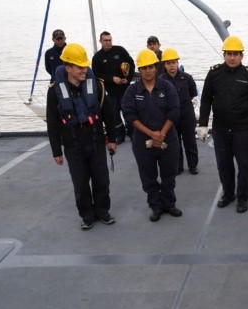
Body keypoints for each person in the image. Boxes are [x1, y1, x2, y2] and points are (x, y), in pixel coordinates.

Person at [46, 43, 120, 230]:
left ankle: (103, 211)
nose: (84, 70)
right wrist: (57, 151)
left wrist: (111, 139)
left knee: (102, 180)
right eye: (79, 67)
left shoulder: (97, 86)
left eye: (85, 66)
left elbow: (109, 115)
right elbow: (53, 123)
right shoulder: (54, 92)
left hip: (95, 140)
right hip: (73, 144)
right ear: (67, 67)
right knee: (80, 183)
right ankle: (87, 215)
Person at [197, 35, 248, 214]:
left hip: (242, 128)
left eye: (235, 54)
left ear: (242, 56)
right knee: (223, 163)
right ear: (224, 55)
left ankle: (243, 196)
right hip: (219, 128)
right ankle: (228, 193)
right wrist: (203, 124)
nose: (232, 57)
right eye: (228, 53)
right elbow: (205, 100)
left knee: (243, 164)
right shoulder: (214, 73)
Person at [120, 49, 182, 222]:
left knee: (169, 175)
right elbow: (129, 115)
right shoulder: (132, 91)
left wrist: (161, 133)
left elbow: (174, 111)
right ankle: (155, 206)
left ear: (156, 67)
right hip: (142, 143)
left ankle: (169, 203)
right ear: (139, 69)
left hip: (168, 140)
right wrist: (151, 134)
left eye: (151, 67)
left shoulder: (167, 87)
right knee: (148, 177)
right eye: (144, 67)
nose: (148, 71)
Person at [160, 47, 199, 175]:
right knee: (174, 143)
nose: (172, 65)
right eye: (168, 63)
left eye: (174, 62)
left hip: (187, 115)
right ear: (164, 65)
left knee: (190, 142)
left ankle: (193, 166)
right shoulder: (160, 81)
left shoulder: (187, 78)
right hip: (171, 117)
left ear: (177, 62)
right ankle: (178, 166)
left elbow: (193, 93)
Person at [92, 31, 134, 144]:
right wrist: (111, 79)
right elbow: (96, 75)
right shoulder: (97, 57)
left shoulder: (120, 50)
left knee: (129, 111)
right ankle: (119, 136)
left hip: (124, 89)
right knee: (114, 114)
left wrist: (128, 78)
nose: (108, 42)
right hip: (109, 91)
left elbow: (131, 64)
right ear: (100, 41)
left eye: (110, 40)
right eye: (105, 40)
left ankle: (133, 133)